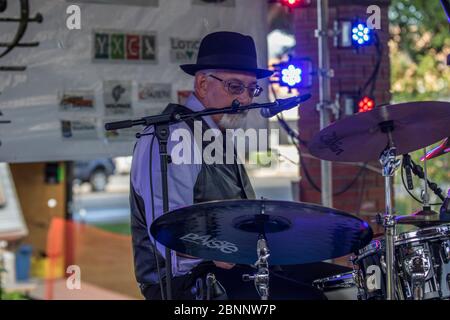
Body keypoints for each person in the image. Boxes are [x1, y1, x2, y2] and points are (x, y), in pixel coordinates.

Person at [129, 31, 345, 300]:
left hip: (236, 269)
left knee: (340, 283)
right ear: (203, 84)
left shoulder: (214, 133)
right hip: (188, 284)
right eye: (235, 87)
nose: (245, 99)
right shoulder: (171, 136)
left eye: (251, 89)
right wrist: (230, 248)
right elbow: (170, 237)